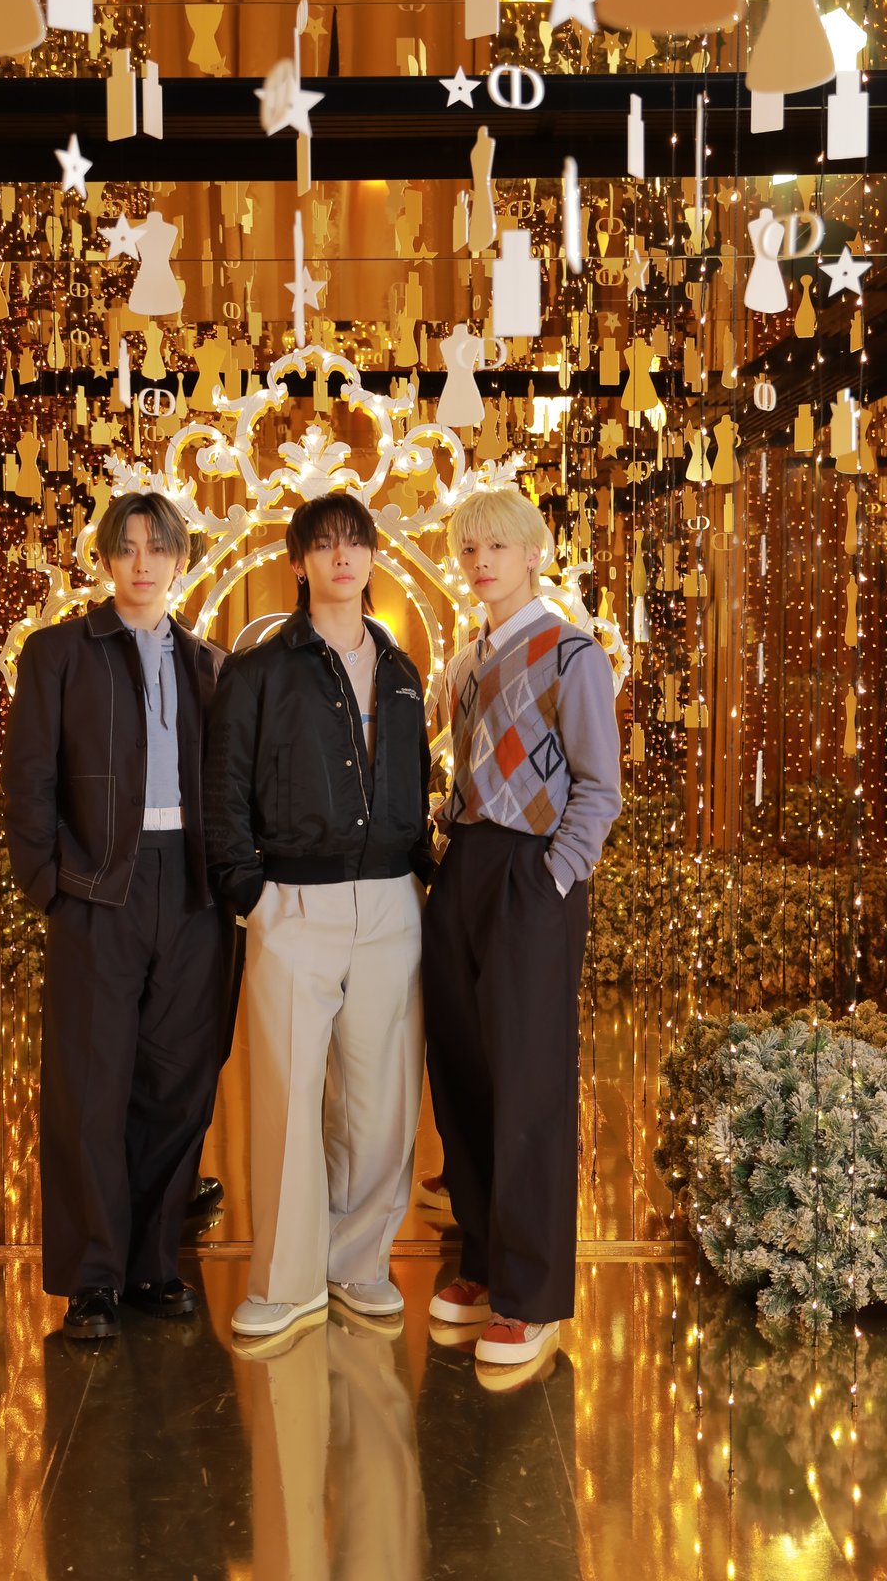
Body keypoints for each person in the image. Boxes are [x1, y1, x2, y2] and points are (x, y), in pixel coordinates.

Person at [1, 491, 234, 1340]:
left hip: (194, 892)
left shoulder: (210, 665)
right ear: (104, 560)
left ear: (180, 561)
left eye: (158, 548)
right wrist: (50, 885)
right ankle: (92, 1279)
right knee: (91, 1089)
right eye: (127, 547)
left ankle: (151, 1264)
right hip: (98, 889)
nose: (143, 563)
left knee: (179, 1086)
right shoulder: (60, 652)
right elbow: (27, 777)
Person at [205, 493, 433, 1340]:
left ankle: (358, 1263)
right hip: (292, 903)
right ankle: (285, 1281)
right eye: (325, 545)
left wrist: (422, 877)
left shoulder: (402, 670)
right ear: (298, 562)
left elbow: (416, 782)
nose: (342, 557)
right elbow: (223, 790)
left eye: (355, 543)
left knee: (380, 1102)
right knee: (289, 1100)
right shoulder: (258, 670)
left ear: (372, 557)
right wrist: (252, 895)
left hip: (391, 902)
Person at [424, 487, 621, 1369]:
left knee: (529, 1082)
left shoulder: (571, 653)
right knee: (463, 1073)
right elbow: (472, 772)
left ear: (533, 554)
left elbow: (599, 787)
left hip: (530, 876)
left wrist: (554, 875)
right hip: (464, 867)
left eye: (497, 547)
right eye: (470, 549)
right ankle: (480, 1258)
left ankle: (531, 1294)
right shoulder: (467, 662)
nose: (480, 562)